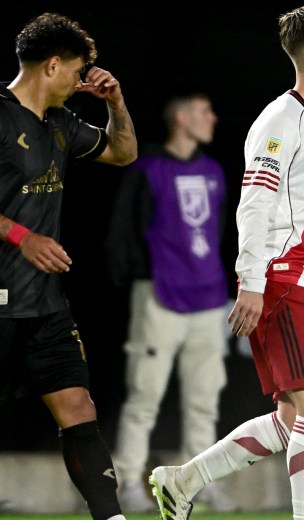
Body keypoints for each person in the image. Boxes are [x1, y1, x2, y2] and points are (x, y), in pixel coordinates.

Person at [149, 6, 304, 520]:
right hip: (281, 280)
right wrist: (252, 283)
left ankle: (183, 481)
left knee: (296, 420)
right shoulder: (279, 122)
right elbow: (254, 205)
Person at [0, 12, 137, 520]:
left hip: (45, 303)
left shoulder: (59, 120)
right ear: (53, 65)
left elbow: (123, 153)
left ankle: (113, 517)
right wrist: (24, 237)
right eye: (78, 71)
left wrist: (116, 104)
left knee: (79, 409)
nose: (81, 81)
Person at [105, 93, 232, 513]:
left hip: (210, 300)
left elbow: (218, 237)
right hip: (159, 298)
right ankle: (127, 483)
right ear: (180, 117)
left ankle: (199, 484)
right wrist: (141, 278)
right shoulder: (149, 170)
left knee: (204, 401)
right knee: (145, 397)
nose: (212, 117)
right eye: (203, 111)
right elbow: (124, 232)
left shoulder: (213, 171)